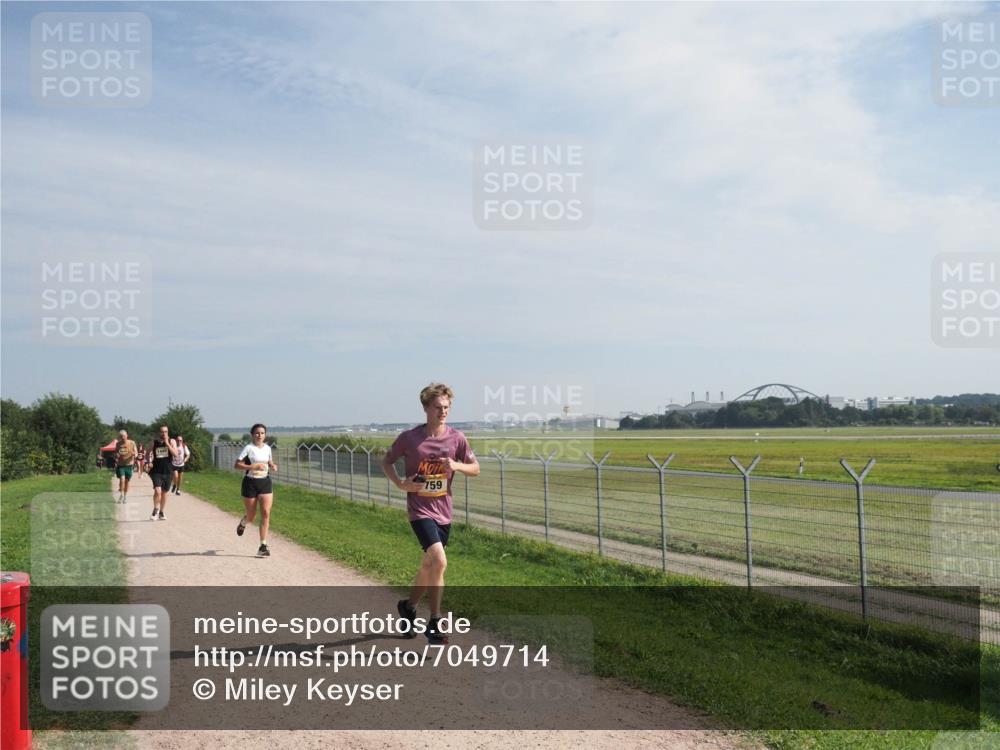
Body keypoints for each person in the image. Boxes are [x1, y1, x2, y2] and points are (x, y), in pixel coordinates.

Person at [381, 383, 479, 644]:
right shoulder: (410, 438)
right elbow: (386, 461)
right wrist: (401, 484)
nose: (443, 411)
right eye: (438, 407)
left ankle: (408, 606)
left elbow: (476, 468)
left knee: (428, 565)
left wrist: (456, 464)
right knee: (440, 562)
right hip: (420, 510)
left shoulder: (457, 438)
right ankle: (435, 622)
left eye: (447, 407)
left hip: (444, 511)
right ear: (425, 408)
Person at [234, 424, 278, 557]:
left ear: (265, 435)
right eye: (257, 433)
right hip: (250, 483)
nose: (260, 435)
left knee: (265, 512)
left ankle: (263, 546)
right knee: (251, 516)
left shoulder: (268, 448)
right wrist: (253, 466)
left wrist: (272, 465)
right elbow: (237, 465)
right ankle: (243, 522)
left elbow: (269, 462)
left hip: (265, 482)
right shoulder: (248, 448)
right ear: (252, 435)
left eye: (262, 433)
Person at [148, 426, 179, 520]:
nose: (164, 433)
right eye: (162, 432)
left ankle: (161, 512)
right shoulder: (155, 442)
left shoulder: (172, 441)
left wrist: (167, 444)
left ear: (168, 432)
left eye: (165, 432)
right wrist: (148, 461)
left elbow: (175, 454)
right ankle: (155, 509)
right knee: (158, 491)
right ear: (159, 433)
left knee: (164, 493)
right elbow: (147, 452)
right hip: (156, 471)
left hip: (168, 471)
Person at [114, 430, 138, 503]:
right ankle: (121, 495)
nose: (122, 437)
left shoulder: (132, 443)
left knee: (127, 482)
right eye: (121, 436)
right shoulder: (118, 444)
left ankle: (125, 496)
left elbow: (136, 453)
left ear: (127, 435)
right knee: (122, 479)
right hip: (121, 465)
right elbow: (116, 453)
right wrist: (116, 455)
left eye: (124, 436)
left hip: (129, 465)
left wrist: (134, 454)